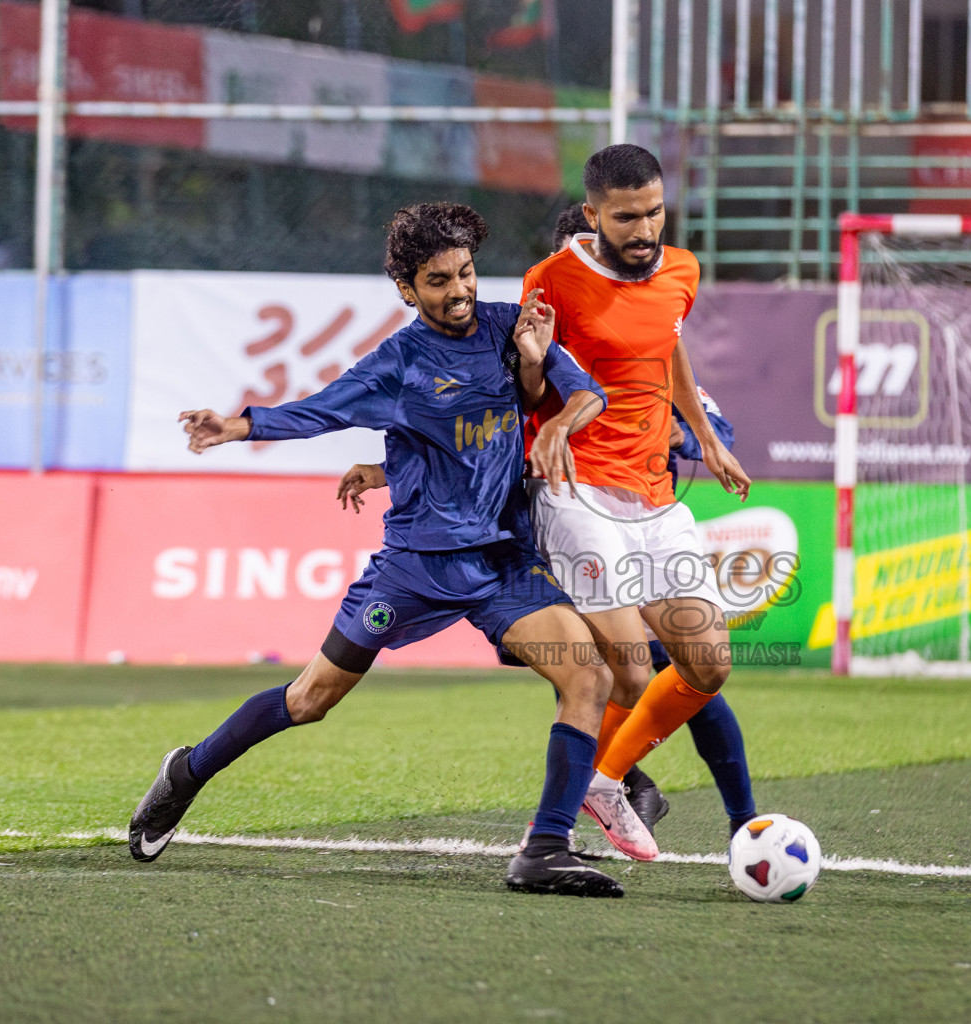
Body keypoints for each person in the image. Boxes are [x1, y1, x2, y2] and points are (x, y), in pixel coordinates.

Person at [126, 202, 648, 898]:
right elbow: (321, 409)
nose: (459, 290)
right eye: (437, 281)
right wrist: (236, 425)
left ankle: (545, 849)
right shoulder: (399, 361)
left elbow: (587, 394)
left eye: (464, 272)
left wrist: (541, 388)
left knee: (589, 676)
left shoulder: (509, 324)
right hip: (416, 568)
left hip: (499, 562)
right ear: (407, 289)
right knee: (310, 699)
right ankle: (187, 772)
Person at [333, 202, 761, 852]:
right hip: (542, 538)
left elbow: (708, 423)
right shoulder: (529, 356)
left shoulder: (638, 358)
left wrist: (674, 430)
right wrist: (384, 468)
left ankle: (639, 797)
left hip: (633, 530)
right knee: (628, 670)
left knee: (675, 668)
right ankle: (605, 796)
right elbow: (466, 436)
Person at [521, 145, 754, 861]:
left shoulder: (682, 270)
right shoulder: (551, 280)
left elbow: (668, 345)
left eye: (654, 211)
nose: (644, 228)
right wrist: (537, 381)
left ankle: (605, 777)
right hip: (577, 491)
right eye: (626, 217)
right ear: (592, 216)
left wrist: (706, 438)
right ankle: (556, 829)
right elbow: (525, 389)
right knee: (627, 667)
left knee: (709, 663)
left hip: (654, 497)